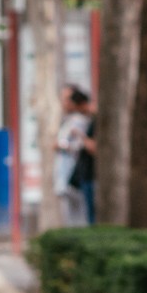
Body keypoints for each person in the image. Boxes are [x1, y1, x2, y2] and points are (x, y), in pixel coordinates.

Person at [55, 85, 91, 226]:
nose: (64, 103)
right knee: (69, 216)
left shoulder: (79, 121)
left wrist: (62, 146)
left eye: (67, 99)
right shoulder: (68, 120)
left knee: (79, 216)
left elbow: (78, 145)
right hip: (66, 173)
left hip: (75, 173)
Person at [69, 93, 97, 225]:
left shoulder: (95, 122)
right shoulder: (89, 121)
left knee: (92, 215)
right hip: (85, 175)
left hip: (92, 176)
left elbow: (93, 148)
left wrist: (80, 135)